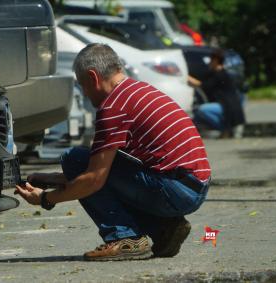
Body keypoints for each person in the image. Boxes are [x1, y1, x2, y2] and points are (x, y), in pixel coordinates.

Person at [15, 43, 211, 261]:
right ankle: (164, 228)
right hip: (192, 185)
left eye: (83, 86)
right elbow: (110, 172)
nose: (86, 94)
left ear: (93, 77)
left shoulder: (113, 107)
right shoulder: (137, 90)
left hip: (176, 190)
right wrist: (51, 179)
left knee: (74, 158)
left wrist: (45, 199)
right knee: (82, 165)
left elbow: (94, 179)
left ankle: (125, 238)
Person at [188, 49, 246, 138]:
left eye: (211, 60)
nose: (209, 63)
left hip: (227, 106)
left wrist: (187, 77)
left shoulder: (219, 74)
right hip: (229, 106)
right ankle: (226, 128)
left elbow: (203, 85)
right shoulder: (221, 73)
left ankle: (225, 128)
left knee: (202, 110)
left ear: (215, 60)